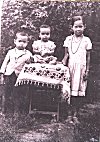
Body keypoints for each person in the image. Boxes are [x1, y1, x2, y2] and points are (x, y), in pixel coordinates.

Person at [62, 16, 92, 124]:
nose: (78, 29)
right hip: (70, 69)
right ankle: (69, 114)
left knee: (79, 93)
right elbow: (66, 55)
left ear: (84, 27)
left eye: (80, 26)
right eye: (76, 27)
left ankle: (75, 115)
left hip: (81, 69)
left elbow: (88, 57)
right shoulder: (68, 39)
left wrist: (87, 71)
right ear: (72, 28)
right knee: (69, 91)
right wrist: (62, 65)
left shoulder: (86, 40)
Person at [0, 29, 32, 116]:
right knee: (6, 93)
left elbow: (29, 65)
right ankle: (3, 110)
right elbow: (5, 63)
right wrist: (2, 75)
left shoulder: (28, 53)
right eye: (19, 41)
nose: (21, 43)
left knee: (18, 93)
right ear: (15, 41)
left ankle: (16, 111)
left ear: (27, 42)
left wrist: (30, 61)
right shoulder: (11, 52)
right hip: (9, 74)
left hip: (19, 76)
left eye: (24, 42)